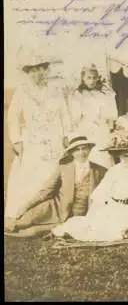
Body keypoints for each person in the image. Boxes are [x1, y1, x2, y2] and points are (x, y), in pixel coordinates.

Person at [50, 132, 128, 242]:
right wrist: (94, 211)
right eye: (125, 156)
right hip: (112, 206)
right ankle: (67, 230)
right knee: (93, 226)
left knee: (115, 233)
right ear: (120, 156)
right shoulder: (114, 170)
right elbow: (102, 191)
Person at [5, 53, 72, 223]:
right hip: (32, 140)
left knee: (52, 174)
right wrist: (17, 140)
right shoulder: (22, 91)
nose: (36, 74)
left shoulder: (55, 91)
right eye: (32, 72)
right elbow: (13, 116)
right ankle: (26, 214)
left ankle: (49, 214)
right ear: (28, 74)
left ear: (44, 70)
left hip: (54, 138)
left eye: (39, 70)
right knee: (31, 175)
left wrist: (66, 136)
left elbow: (65, 114)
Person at [5, 136, 107, 235]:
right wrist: (26, 206)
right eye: (77, 150)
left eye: (84, 148)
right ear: (72, 152)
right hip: (57, 208)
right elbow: (46, 190)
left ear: (89, 149)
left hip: (82, 214)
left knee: (33, 232)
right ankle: (13, 226)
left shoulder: (101, 171)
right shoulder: (64, 168)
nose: (81, 153)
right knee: (25, 220)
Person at [67, 64, 118, 168]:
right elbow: (75, 118)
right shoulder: (77, 95)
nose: (92, 81)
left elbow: (112, 116)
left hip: (102, 131)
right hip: (86, 130)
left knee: (104, 158)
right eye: (88, 78)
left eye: (94, 78)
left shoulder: (104, 94)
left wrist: (108, 128)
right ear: (83, 78)